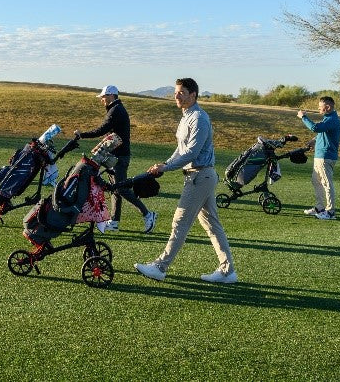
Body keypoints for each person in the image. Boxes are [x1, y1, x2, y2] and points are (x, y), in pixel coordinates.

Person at [134, 78, 237, 283]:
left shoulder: (199, 118)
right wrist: (164, 164)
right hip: (199, 175)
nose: (177, 96)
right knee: (212, 225)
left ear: (193, 95)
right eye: (176, 92)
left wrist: (167, 167)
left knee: (180, 221)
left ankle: (160, 267)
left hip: (200, 176)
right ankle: (228, 271)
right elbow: (180, 150)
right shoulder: (186, 117)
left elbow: (191, 152)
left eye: (182, 92)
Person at [74, 85, 157, 233]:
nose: (102, 100)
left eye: (103, 97)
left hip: (119, 157)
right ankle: (114, 222)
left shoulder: (115, 110)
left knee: (121, 189)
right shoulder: (116, 109)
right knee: (115, 190)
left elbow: (102, 130)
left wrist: (82, 134)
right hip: (115, 156)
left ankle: (148, 214)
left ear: (111, 96)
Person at [297, 96, 340, 220]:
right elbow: (322, 132)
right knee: (316, 181)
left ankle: (330, 212)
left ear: (327, 107)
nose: (318, 108)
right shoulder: (328, 119)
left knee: (326, 183)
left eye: (320, 106)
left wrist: (303, 117)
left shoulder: (332, 119)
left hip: (326, 157)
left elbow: (315, 128)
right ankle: (319, 208)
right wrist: (313, 141)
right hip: (319, 156)